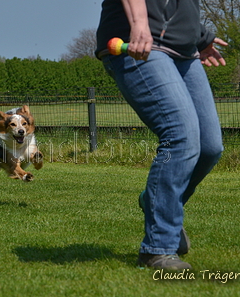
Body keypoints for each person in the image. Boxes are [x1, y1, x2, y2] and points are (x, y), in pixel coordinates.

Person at [95, 0, 227, 270]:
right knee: (180, 135)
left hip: (183, 52)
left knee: (209, 146)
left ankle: (154, 200)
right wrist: (139, 24)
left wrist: (199, 36)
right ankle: (158, 248)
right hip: (138, 44)